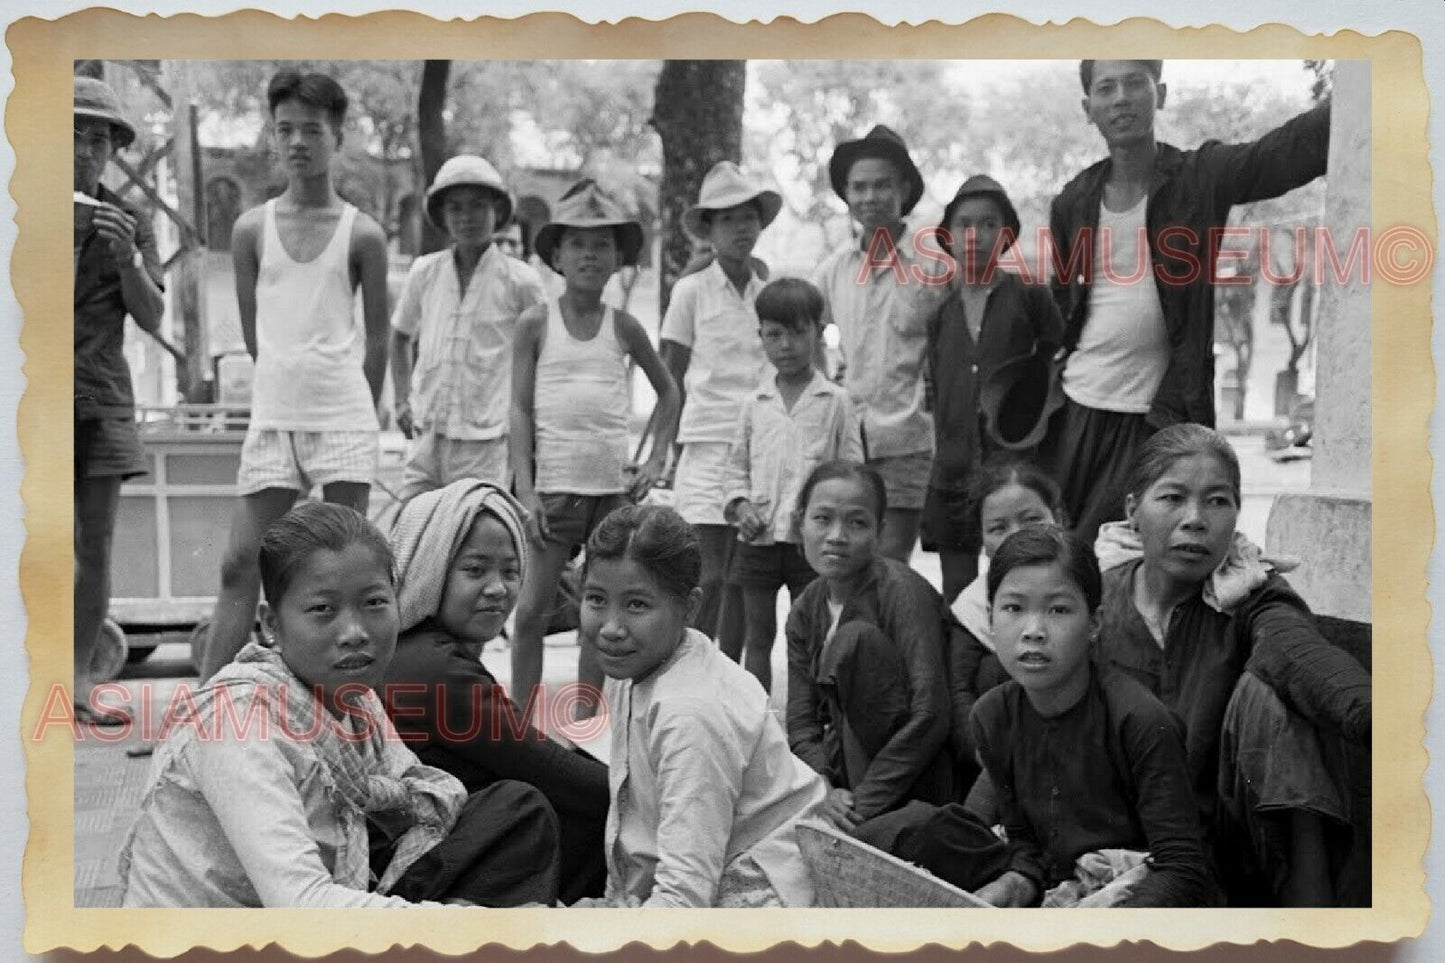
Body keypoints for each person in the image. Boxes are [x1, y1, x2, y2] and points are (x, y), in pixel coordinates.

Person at [119, 502, 563, 908]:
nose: (354, 631)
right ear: (272, 624)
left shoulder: (356, 699)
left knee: (518, 811)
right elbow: (304, 905)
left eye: (373, 604)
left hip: (314, 904)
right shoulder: (237, 722)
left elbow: (416, 787)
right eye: (323, 610)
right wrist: (472, 925)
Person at [1043, 59, 1331, 544]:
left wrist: (1357, 98)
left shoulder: (1199, 177)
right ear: (1087, 107)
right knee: (1076, 557)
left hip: (1163, 412)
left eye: (1136, 83)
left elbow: (1280, 154)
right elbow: (1061, 301)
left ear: (1161, 93)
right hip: (1081, 406)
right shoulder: (1074, 199)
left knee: (1162, 554)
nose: (1121, 98)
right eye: (1106, 88)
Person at [1094, 423, 1371, 905]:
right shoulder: (1096, 601)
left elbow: (1298, 653)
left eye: (1218, 501)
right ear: (1131, 510)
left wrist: (1394, 722)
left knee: (1270, 699)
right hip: (1113, 837)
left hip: (1231, 848)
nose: (1195, 519)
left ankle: (1311, 925)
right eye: (1173, 497)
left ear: (1238, 515)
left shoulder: (1250, 596)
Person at [199, 69, 391, 682]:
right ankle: (202, 717)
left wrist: (349, 400)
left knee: (349, 576)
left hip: (342, 418)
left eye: (312, 129)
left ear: (337, 136)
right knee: (240, 565)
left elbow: (379, 336)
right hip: (275, 416)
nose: (298, 142)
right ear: (274, 137)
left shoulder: (362, 233)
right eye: (286, 130)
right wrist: (287, 383)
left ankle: (353, 717)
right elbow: (257, 335)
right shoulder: (251, 229)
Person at [579, 504, 826, 907]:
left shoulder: (689, 713)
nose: (610, 627)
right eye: (596, 599)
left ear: (690, 608)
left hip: (761, 906)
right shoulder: (643, 663)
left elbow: (685, 897)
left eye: (637, 604)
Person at [382, 480, 610, 903]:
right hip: (407, 875)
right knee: (534, 805)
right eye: (475, 570)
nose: (498, 588)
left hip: (421, 855)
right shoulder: (438, 669)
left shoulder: (416, 650)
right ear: (431, 569)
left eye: (510, 571)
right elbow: (546, 766)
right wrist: (658, 795)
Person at [966, 525, 1215, 907]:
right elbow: (1026, 845)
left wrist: (1091, 934)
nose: (1033, 631)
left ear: (1095, 624)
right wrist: (1016, 884)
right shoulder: (992, 717)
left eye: (1059, 610)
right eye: (1014, 608)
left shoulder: (1141, 720)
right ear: (991, 618)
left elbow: (1183, 871)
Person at [509, 179, 681, 720]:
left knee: (600, 611)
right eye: (578, 244)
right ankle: (519, 722)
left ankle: (587, 724)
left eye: (602, 244)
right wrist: (525, 486)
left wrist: (654, 462)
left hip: (612, 490)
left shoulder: (625, 327)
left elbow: (671, 391)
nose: (590, 254)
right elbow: (518, 410)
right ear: (557, 255)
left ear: (617, 258)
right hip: (554, 489)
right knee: (533, 610)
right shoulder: (536, 323)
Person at [785, 461, 953, 833]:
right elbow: (800, 721)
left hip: (917, 775)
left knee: (854, 641)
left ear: (880, 531)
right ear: (800, 523)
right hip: (844, 779)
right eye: (822, 519)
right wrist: (824, 789)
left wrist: (862, 803)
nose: (837, 536)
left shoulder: (901, 592)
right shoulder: (805, 609)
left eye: (857, 523)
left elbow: (930, 714)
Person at [72, 75, 166, 726]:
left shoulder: (130, 222)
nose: (85, 150)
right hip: (28, 398)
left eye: (99, 138)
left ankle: (77, 675)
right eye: (73, 135)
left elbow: (155, 312)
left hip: (101, 396)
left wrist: (128, 258)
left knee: (95, 545)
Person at [812, 125, 950, 562]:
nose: (869, 197)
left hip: (909, 436)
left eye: (881, 185)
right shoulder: (833, 270)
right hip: (848, 439)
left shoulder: (936, 265)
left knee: (891, 563)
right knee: (843, 559)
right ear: (846, 194)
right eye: (859, 187)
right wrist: (827, 387)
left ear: (903, 189)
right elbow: (807, 331)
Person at [923, 175, 1064, 601]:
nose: (975, 235)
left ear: (1006, 235)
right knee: (958, 591)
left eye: (988, 224)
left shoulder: (1030, 296)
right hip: (953, 466)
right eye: (964, 224)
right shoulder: (941, 312)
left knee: (1024, 581)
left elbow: (1057, 367)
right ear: (948, 237)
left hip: (1016, 465)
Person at [660, 161, 780, 659]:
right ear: (708, 229)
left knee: (742, 577)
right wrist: (667, 453)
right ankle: (692, 668)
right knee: (706, 572)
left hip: (759, 445)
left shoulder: (768, 291)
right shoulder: (690, 291)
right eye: (728, 218)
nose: (741, 227)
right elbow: (670, 375)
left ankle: (727, 677)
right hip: (707, 442)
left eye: (749, 216)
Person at [720, 278, 861, 691]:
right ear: (760, 336)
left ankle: (809, 721)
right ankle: (756, 719)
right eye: (774, 334)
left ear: (818, 332)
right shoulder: (754, 405)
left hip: (811, 544)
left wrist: (829, 519)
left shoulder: (836, 402)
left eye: (798, 333)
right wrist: (741, 507)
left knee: (811, 635)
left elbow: (853, 470)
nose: (786, 345)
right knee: (757, 636)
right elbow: (735, 469)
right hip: (758, 539)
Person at [389, 155, 545, 500]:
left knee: (473, 534)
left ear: (498, 212)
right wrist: (401, 400)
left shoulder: (521, 281)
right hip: (427, 432)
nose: (466, 217)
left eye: (477, 207)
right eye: (455, 208)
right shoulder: (424, 273)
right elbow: (400, 335)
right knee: (414, 530)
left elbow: (542, 358)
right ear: (442, 216)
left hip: (487, 440)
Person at [944, 460, 1066, 790]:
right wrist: (989, 755)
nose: (1018, 536)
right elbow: (958, 694)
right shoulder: (971, 608)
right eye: (998, 528)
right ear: (982, 542)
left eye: (1032, 519)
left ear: (1059, 519)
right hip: (1000, 764)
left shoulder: (1094, 586)